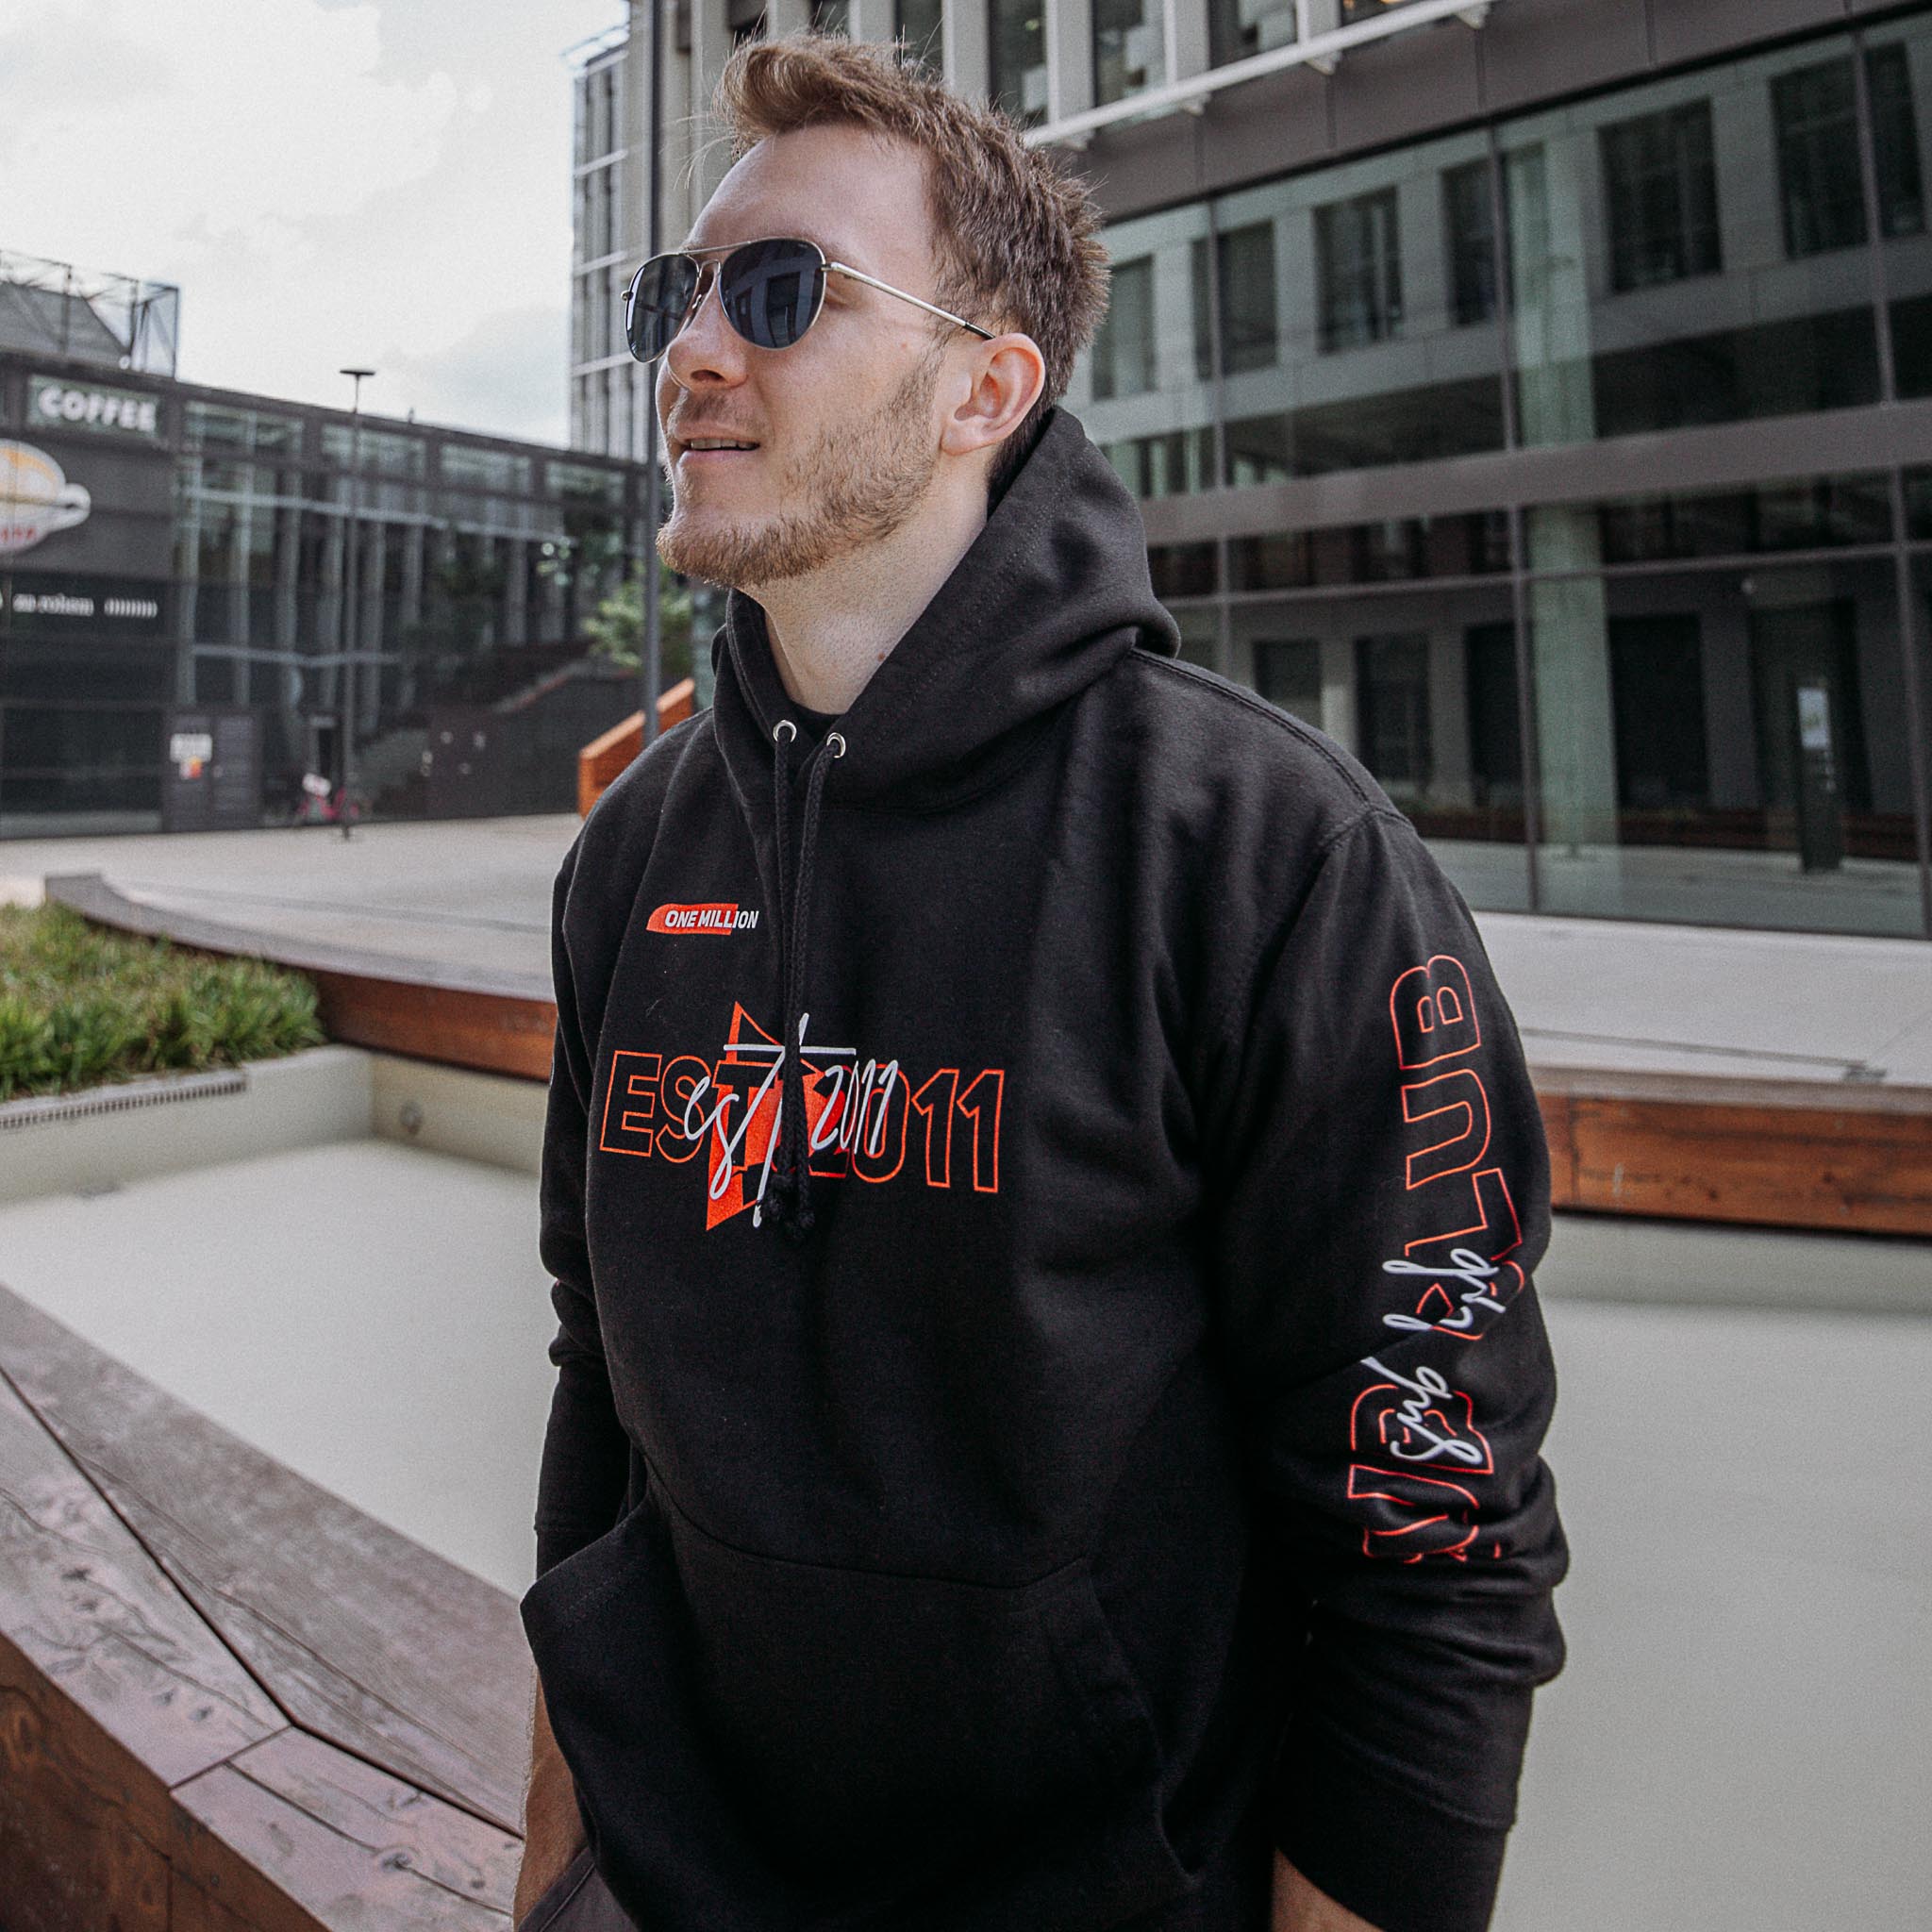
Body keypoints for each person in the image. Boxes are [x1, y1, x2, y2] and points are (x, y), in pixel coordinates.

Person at [514, 33, 1566, 1932]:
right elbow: (603, 1395)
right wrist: (554, 1866)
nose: (690, 354)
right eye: (679, 294)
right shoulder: (635, 854)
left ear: (984, 388)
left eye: (779, 293)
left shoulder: (1267, 856)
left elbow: (1428, 1545)